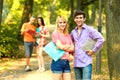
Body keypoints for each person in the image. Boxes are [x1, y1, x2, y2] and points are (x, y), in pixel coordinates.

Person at [70, 10, 105, 80]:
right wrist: (71, 51)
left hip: (86, 62)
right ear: (74, 19)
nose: (79, 19)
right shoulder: (73, 32)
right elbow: (69, 43)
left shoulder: (89, 29)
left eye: (81, 18)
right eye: (77, 18)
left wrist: (93, 50)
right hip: (76, 62)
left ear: (84, 19)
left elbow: (101, 39)